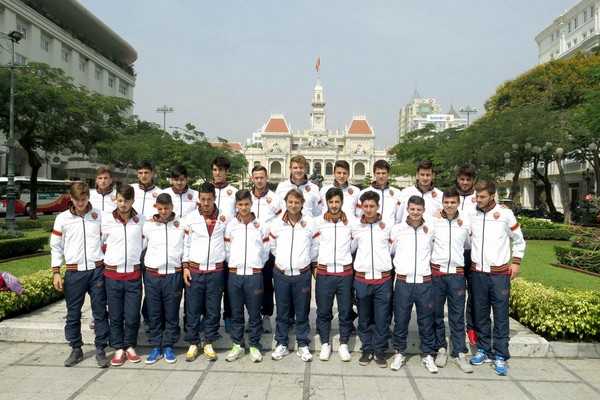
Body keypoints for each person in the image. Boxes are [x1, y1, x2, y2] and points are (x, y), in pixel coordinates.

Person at [469, 180, 526, 376]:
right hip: (478, 273)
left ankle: (501, 355)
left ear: (492, 196)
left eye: (482, 196)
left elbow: (519, 239)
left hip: (499, 273)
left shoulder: (505, 214)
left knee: (501, 315)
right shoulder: (472, 213)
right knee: (481, 314)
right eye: (477, 196)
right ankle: (484, 349)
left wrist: (516, 262)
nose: (478, 200)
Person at [50, 182, 109, 368]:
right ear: (71, 199)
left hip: (97, 270)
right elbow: (56, 246)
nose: (81, 203)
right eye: (77, 200)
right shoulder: (62, 218)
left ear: (88, 198)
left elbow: (108, 238)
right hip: (74, 271)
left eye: (84, 199)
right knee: (73, 313)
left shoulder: (99, 215)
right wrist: (56, 271)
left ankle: (101, 349)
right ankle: (76, 348)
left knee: (100, 312)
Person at [389, 195, 438, 373]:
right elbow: (391, 251)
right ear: (407, 210)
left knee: (426, 320)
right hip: (403, 282)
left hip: (424, 282)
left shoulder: (430, 229)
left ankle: (426, 354)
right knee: (401, 319)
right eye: (412, 209)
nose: (415, 212)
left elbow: (433, 251)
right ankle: (400, 352)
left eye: (419, 209)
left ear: (424, 210)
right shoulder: (398, 229)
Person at [182, 182, 229, 362]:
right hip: (195, 269)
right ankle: (193, 343)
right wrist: (185, 266)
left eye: (209, 199)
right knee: (192, 309)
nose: (206, 203)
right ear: (198, 199)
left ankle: (209, 341)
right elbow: (186, 243)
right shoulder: (191, 218)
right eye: (203, 199)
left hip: (216, 270)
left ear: (214, 198)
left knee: (213, 309)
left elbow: (228, 242)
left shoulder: (225, 217)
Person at [269, 189, 318, 362]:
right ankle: (281, 343)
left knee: (302, 312)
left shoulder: (310, 223)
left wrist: (305, 262)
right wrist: (282, 262)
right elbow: (273, 246)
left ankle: (303, 344)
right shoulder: (276, 224)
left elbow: (315, 246)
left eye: (297, 202)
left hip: (302, 274)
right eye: (290, 202)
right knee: (282, 312)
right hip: (281, 273)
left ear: (302, 203)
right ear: (285, 202)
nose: (293, 205)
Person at [430, 188, 473, 373]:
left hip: (456, 273)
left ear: (458, 203)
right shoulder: (433, 221)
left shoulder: (465, 223)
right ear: (442, 203)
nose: (449, 205)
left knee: (457, 314)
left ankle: (459, 352)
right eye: (446, 202)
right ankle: (440, 348)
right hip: (437, 273)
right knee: (437, 313)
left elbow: (470, 245)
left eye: (453, 202)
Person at [223, 189, 270, 363]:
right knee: (236, 313)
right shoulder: (230, 226)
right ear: (236, 205)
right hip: (235, 275)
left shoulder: (261, 225)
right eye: (240, 204)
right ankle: (238, 345)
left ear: (251, 204)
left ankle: (255, 345)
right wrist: (235, 264)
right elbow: (227, 250)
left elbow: (266, 251)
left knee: (255, 313)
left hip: (254, 275)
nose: (243, 208)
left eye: (246, 204)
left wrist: (256, 264)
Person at [101, 184, 145, 366]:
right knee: (116, 314)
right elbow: (100, 243)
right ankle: (118, 347)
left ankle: (129, 346)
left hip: (133, 276)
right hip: (112, 275)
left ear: (133, 201)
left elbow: (145, 242)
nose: (123, 204)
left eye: (127, 201)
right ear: (116, 199)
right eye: (120, 200)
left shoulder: (141, 220)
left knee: (133, 315)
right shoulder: (106, 220)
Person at [351, 191, 393, 368]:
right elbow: (352, 249)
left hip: (383, 280)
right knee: (364, 317)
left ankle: (380, 350)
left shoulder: (388, 226)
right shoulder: (356, 227)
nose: (368, 210)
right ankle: (367, 348)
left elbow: (392, 248)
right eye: (365, 206)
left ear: (378, 207)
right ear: (361, 207)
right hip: (362, 279)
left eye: (372, 206)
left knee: (383, 319)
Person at [142, 193, 185, 365]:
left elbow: (186, 247)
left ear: (172, 207)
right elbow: (140, 248)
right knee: (154, 312)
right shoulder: (148, 226)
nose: (163, 212)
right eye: (160, 209)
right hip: (153, 274)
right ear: (156, 208)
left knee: (172, 312)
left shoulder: (181, 225)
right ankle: (155, 346)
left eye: (166, 208)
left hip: (174, 274)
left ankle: (168, 345)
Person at [314, 187, 355, 362]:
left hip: (345, 273)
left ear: (342, 202)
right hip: (325, 273)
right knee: (323, 310)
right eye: (331, 202)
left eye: (337, 202)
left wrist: (344, 258)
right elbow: (314, 245)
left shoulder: (352, 222)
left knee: (345, 310)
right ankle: (325, 343)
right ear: (326, 203)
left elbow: (355, 244)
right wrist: (315, 265)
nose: (334, 205)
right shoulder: (318, 222)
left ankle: (344, 343)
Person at [250, 165, 283, 333]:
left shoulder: (275, 199)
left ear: (267, 177)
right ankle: (252, 316)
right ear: (252, 179)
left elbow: (280, 223)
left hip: (268, 248)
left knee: (268, 283)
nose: (259, 180)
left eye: (262, 177)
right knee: (251, 284)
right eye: (256, 177)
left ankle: (267, 316)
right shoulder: (246, 197)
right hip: (250, 248)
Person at [211, 156, 238, 333]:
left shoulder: (234, 192)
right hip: (209, 246)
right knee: (211, 287)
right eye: (214, 170)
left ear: (227, 171)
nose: (217, 173)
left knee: (229, 286)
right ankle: (207, 316)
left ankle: (229, 316)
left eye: (221, 170)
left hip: (228, 245)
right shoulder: (205, 191)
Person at [455, 164, 478, 345]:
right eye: (462, 179)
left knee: (475, 292)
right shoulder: (448, 197)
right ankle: (457, 326)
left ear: (473, 181)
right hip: (454, 253)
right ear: (457, 179)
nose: (464, 182)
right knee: (457, 293)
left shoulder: (478, 198)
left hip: (474, 252)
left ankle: (471, 326)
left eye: (468, 180)